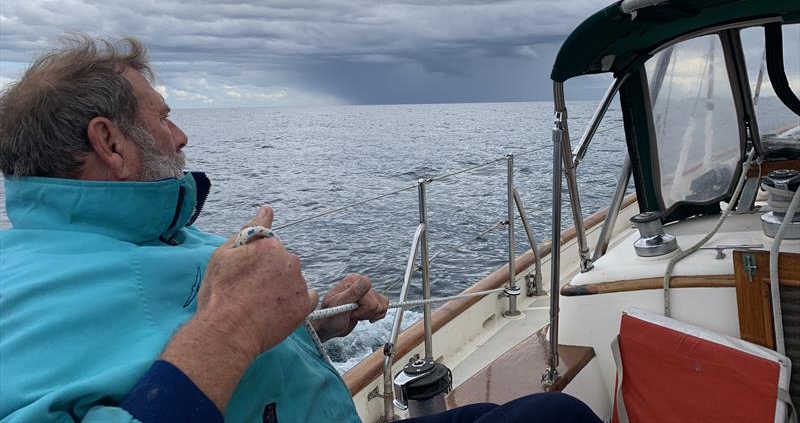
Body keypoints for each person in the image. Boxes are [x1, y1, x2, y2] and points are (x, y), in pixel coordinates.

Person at [0, 36, 601, 423]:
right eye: (163, 117)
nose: (182, 136)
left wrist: (314, 326)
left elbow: (175, 350)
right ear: (109, 141)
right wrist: (233, 323)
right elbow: (205, 344)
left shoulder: (167, 238)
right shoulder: (23, 294)